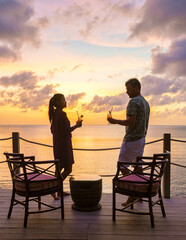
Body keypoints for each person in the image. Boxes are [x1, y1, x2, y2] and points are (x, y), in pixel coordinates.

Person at [107, 78, 150, 206]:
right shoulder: (145, 102)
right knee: (138, 167)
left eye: (128, 89)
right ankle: (140, 195)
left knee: (122, 166)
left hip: (131, 140)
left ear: (136, 88)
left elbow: (131, 122)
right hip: (141, 139)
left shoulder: (133, 102)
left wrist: (114, 121)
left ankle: (133, 194)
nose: (127, 92)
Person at [48, 93, 83, 200]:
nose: (65, 102)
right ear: (58, 102)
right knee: (68, 169)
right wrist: (77, 126)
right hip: (64, 145)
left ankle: (58, 191)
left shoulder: (54, 114)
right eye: (63, 100)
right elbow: (66, 131)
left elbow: (52, 130)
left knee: (58, 168)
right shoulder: (62, 114)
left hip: (57, 144)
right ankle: (54, 187)